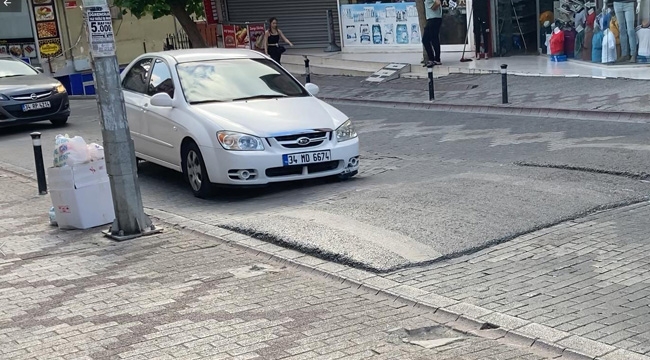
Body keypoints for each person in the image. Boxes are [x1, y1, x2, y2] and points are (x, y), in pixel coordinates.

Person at [422, 0, 443, 67]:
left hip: (434, 18)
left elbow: (438, 2)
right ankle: (432, 58)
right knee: (426, 40)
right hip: (431, 18)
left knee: (433, 38)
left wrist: (433, 8)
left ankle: (436, 59)